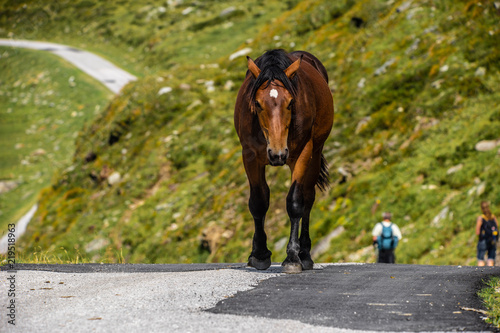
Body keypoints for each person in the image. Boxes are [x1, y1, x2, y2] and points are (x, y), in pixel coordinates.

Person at [476, 201, 499, 267]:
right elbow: (497, 227)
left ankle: (480, 275)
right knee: (491, 258)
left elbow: (477, 232)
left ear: (481, 208)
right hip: (492, 239)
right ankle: (490, 275)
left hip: (483, 240)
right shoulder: (493, 217)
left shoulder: (480, 218)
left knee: (481, 258)